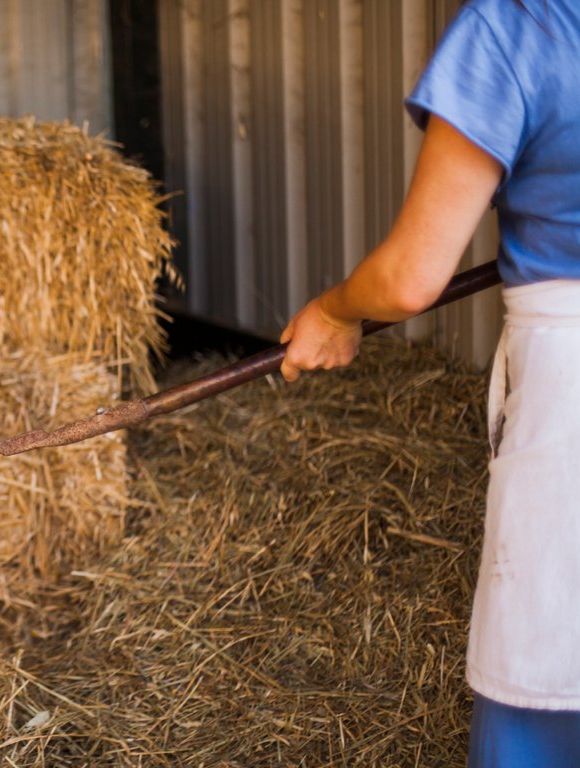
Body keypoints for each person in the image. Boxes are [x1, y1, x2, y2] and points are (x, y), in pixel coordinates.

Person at [278, 1, 580, 765]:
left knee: (548, 678)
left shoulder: (516, 26)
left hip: (568, 390)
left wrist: (335, 310)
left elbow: (413, 278)